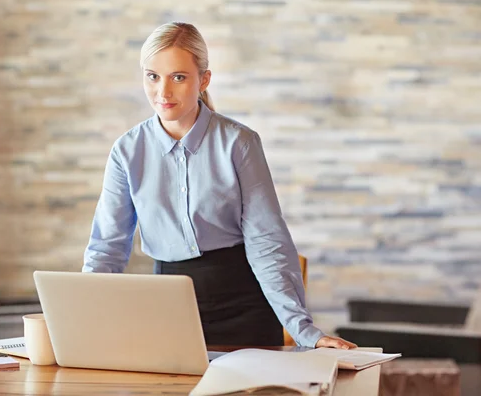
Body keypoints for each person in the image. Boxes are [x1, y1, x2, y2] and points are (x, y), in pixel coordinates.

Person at [83, 22, 356, 349]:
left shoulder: (239, 144)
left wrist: (306, 332)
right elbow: (106, 248)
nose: (163, 92)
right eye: (152, 76)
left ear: (204, 80)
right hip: (169, 312)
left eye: (178, 77)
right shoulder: (127, 151)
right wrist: (81, 324)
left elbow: (267, 239)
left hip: (245, 309)